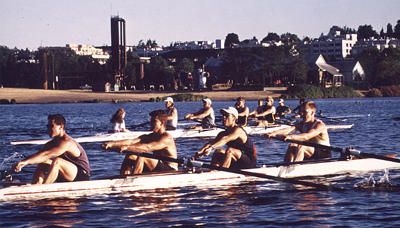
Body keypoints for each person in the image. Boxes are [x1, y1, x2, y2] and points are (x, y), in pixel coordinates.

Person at [14, 114, 91, 184]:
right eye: (47, 126)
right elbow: (39, 156)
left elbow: (46, 154)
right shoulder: (51, 143)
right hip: (66, 174)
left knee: (57, 161)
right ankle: (36, 184)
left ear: (61, 127)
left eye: (51, 126)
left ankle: (45, 188)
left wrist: (25, 162)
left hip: (81, 176)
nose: (48, 129)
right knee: (42, 161)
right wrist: (21, 163)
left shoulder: (67, 142)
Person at [102, 110, 178, 175]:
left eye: (154, 121)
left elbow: (148, 147)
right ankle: (124, 177)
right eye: (150, 121)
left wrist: (127, 148)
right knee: (130, 155)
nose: (151, 123)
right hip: (157, 166)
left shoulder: (166, 138)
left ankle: (134, 179)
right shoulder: (151, 136)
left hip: (170, 169)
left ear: (162, 123)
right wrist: (111, 144)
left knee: (142, 154)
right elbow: (131, 141)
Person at [266, 101, 331, 162]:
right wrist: (273, 133)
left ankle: (295, 168)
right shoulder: (302, 124)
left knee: (301, 146)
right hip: (313, 152)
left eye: (305, 112)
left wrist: (290, 137)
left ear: (312, 113)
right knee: (292, 145)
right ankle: (286, 165)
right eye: (301, 112)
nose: (302, 114)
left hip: (323, 154)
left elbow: (306, 136)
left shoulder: (319, 125)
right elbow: (289, 129)